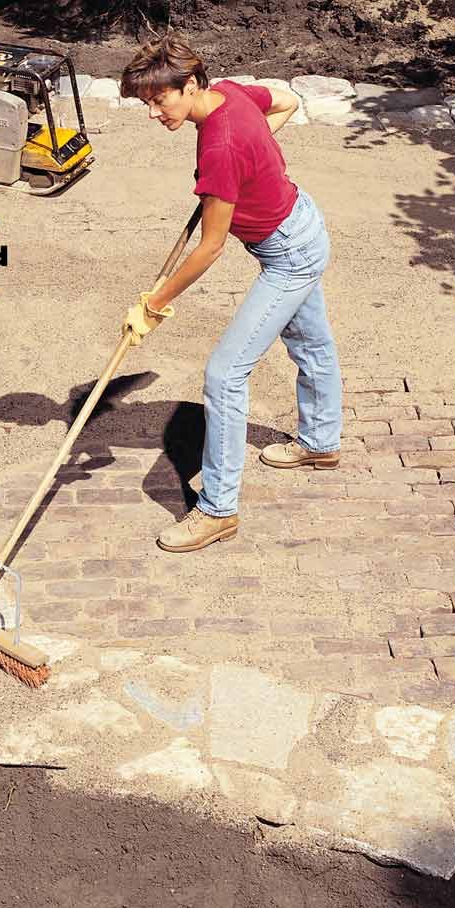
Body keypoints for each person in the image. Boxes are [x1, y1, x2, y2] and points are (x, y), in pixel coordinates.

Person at [119, 34, 343, 553]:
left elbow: (210, 248)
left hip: (288, 253)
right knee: (311, 344)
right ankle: (320, 444)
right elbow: (287, 101)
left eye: (160, 100)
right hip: (301, 224)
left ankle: (217, 510)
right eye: (147, 104)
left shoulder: (218, 147)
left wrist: (152, 305)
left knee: (224, 375)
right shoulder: (230, 94)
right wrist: (248, 164)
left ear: (191, 84)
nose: (154, 113)